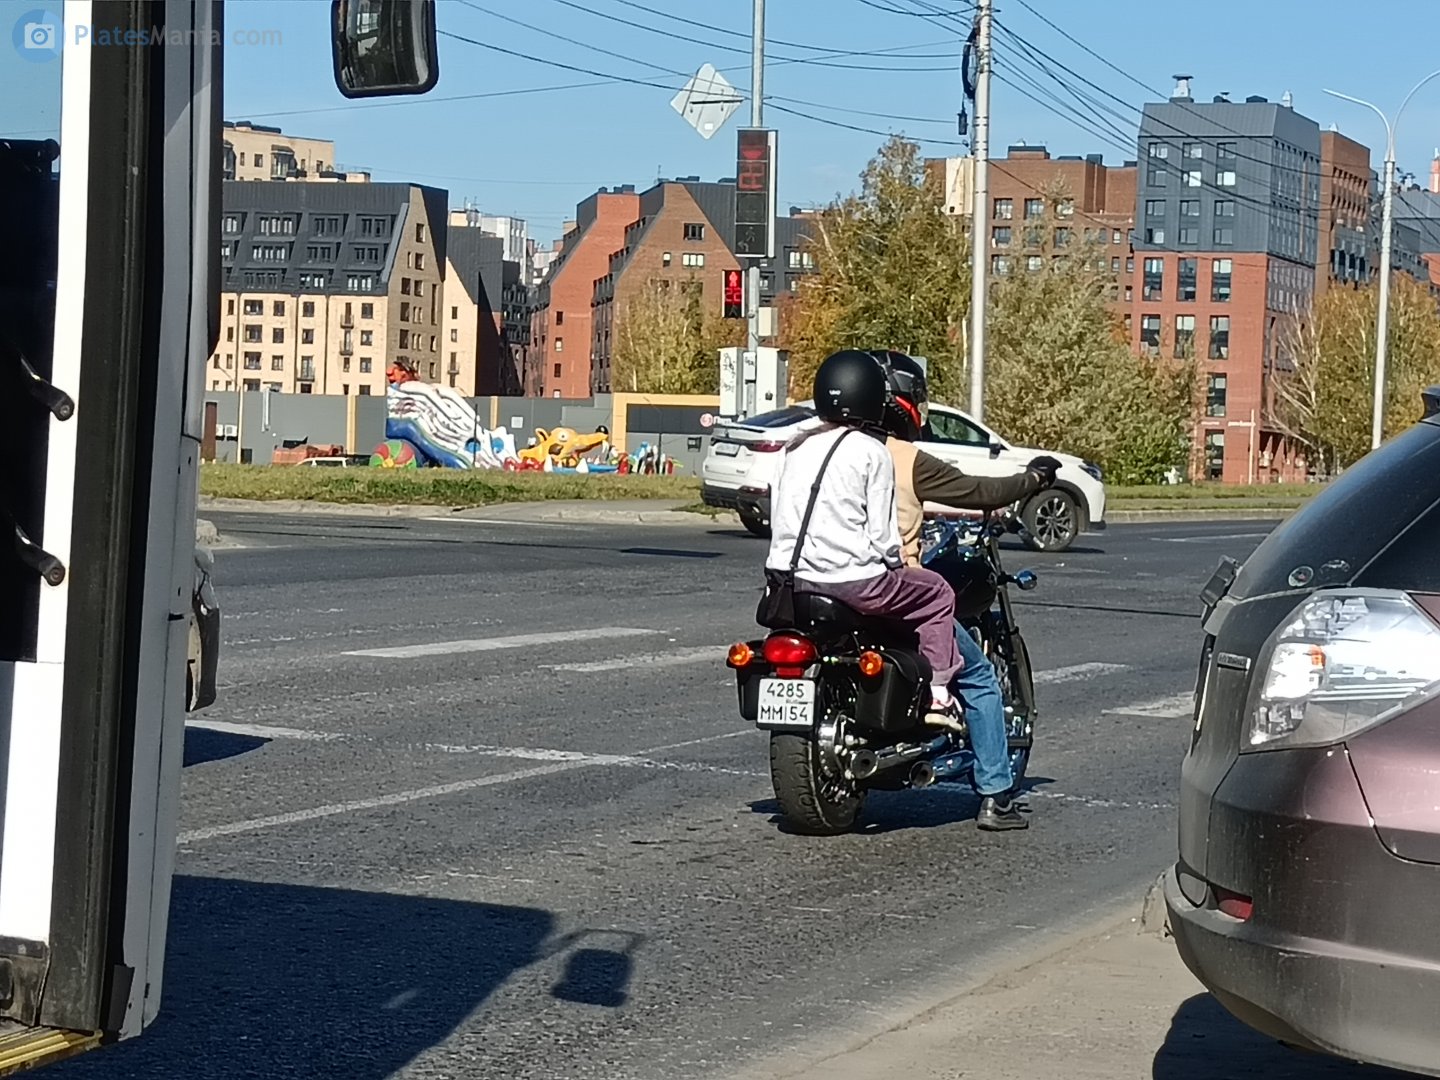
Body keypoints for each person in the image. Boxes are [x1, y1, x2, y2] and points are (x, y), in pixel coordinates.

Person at [872, 350, 1061, 831]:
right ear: (906, 404)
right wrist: (1033, 477)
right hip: (893, 590)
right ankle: (996, 797)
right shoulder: (905, 457)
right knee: (978, 677)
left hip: (820, 585)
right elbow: (981, 491)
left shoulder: (831, 450)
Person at [765, 350, 964, 727]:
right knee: (937, 592)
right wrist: (897, 567)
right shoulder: (872, 451)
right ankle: (938, 695)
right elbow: (884, 536)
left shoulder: (793, 446)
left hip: (788, 583)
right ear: (872, 397)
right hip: (854, 585)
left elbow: (779, 515)